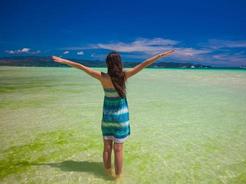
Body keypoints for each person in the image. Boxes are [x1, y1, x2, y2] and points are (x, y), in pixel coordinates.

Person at [52, 49, 175, 180]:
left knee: (107, 148)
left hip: (107, 118)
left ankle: (106, 174)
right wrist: (160, 55)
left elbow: (82, 67)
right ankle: (118, 178)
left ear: (108, 64)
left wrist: (63, 61)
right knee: (118, 150)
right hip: (121, 118)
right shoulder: (124, 76)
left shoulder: (102, 77)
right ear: (119, 63)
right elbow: (144, 64)